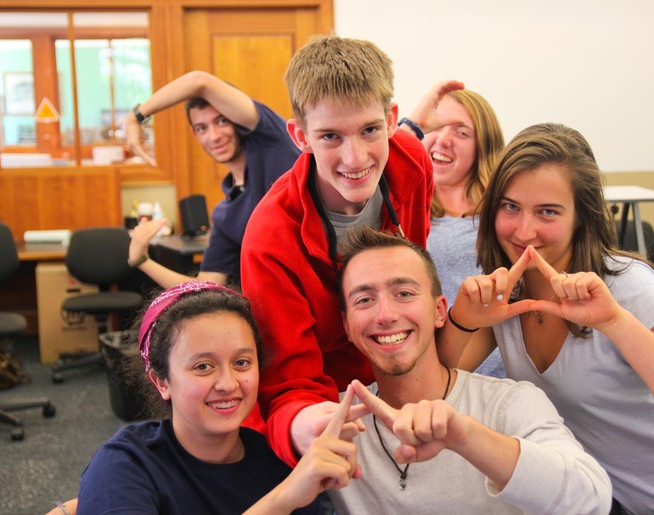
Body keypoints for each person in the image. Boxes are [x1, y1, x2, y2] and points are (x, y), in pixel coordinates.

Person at [440, 122, 654, 513]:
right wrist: (463, 318)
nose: (524, 230)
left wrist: (614, 321)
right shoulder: (508, 296)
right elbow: (432, 384)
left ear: (581, 216)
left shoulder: (625, 284)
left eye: (547, 211)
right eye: (510, 206)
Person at [240, 34, 463, 466]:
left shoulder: (412, 162)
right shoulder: (269, 239)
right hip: (335, 403)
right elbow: (290, 380)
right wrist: (307, 422)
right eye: (329, 137)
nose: (355, 157)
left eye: (369, 130)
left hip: (407, 378)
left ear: (392, 119)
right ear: (299, 136)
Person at [327, 225, 611, 514]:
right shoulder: (333, 421)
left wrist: (464, 436)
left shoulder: (508, 404)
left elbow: (591, 500)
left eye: (404, 293)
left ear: (439, 311)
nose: (385, 315)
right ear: (347, 326)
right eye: (364, 300)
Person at [76, 281, 360, 514]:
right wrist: (282, 500)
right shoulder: (126, 463)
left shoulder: (278, 464)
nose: (228, 383)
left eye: (241, 363)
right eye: (203, 367)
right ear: (161, 381)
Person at [124, 70, 300, 288]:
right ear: (195, 134)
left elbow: (199, 81)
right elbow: (207, 287)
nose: (214, 136)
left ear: (236, 120)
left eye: (222, 121)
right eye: (202, 128)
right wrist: (142, 261)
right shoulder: (226, 214)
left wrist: (135, 117)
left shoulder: (271, 141)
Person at [422, 88, 506, 378]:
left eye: (461, 133)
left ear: (482, 146)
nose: (443, 139)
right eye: (436, 126)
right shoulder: (405, 206)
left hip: (496, 369)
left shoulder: (502, 210)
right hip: (433, 369)